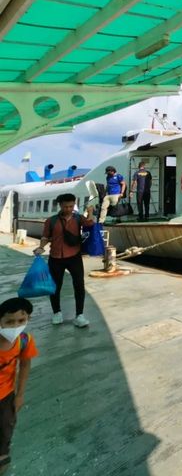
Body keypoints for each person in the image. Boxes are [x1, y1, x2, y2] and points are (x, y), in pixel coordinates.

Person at [34, 193, 94, 327]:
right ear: (60, 205)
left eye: (71, 206)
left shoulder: (79, 218)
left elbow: (90, 224)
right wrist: (40, 247)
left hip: (74, 257)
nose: (68, 209)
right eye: (66, 206)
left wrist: (90, 212)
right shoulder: (51, 221)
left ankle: (79, 315)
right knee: (55, 287)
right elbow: (45, 237)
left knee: (79, 285)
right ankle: (57, 313)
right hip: (55, 258)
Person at [0, 297, 38, 472]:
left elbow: (24, 365)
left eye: (21, 320)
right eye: (9, 321)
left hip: (6, 395)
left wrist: (20, 394)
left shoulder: (24, 341)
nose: (15, 326)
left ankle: (2, 453)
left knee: (6, 425)